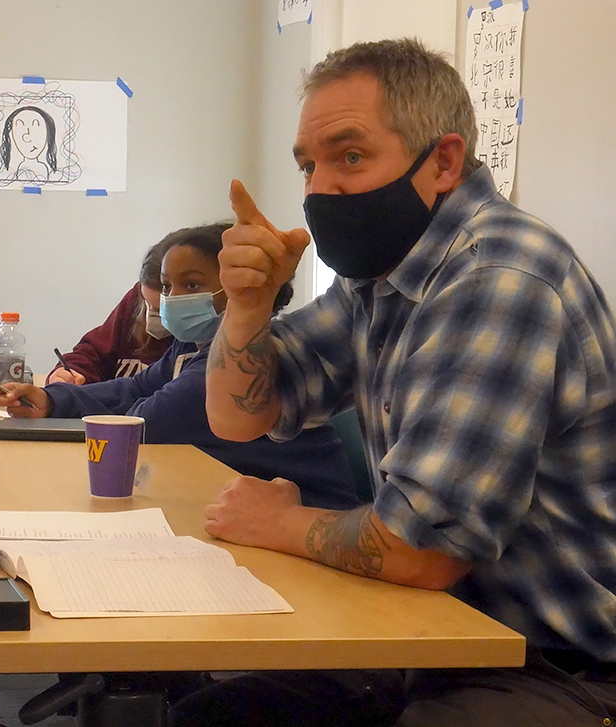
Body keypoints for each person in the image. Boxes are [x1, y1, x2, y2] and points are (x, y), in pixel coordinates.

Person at [182, 39, 616, 727]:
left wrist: (279, 521)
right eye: (309, 165)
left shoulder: (498, 276)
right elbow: (243, 415)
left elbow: (424, 550)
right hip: (431, 630)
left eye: (349, 156)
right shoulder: (382, 279)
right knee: (217, 712)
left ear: (443, 161)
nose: (320, 187)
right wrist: (247, 305)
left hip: (559, 664)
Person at [0, 223, 359, 512]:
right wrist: (51, 400)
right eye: (166, 286)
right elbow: (133, 390)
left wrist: (66, 409)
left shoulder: (247, 360)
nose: (173, 299)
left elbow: (150, 419)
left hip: (307, 512)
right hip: (237, 499)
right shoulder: (188, 346)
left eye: (192, 284)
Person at [46, 238, 174, 385]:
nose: (149, 314)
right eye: (146, 303)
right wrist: (67, 374)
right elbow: (95, 352)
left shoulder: (194, 349)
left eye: (159, 310)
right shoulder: (136, 298)